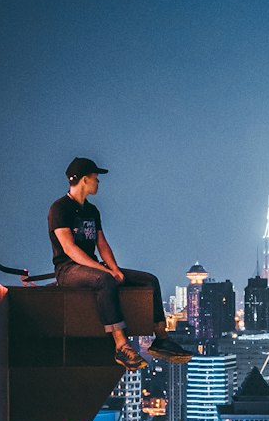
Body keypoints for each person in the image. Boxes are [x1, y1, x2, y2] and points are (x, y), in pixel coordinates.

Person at [47, 157, 191, 370]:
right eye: (96, 178)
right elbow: (70, 249)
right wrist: (104, 271)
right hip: (68, 270)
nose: (98, 182)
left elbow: (102, 244)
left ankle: (161, 339)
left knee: (150, 280)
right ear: (84, 180)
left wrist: (114, 268)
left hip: (91, 267)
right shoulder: (60, 209)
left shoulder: (92, 210)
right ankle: (121, 346)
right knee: (105, 280)